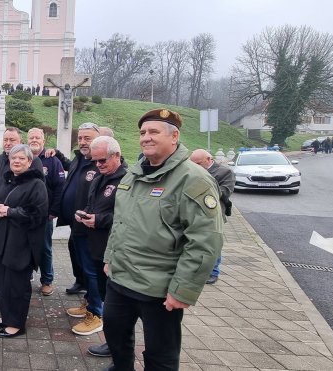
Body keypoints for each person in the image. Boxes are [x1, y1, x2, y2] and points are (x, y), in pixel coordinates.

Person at [102, 109, 223, 370]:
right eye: (143, 133)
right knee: (115, 336)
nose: (146, 137)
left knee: (160, 355)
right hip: (120, 279)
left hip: (160, 289)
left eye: (154, 132)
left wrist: (183, 289)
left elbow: (205, 240)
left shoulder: (193, 179)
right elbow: (120, 221)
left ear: (174, 136)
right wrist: (109, 257)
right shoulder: (134, 173)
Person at [0, 144, 48, 338]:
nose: (17, 161)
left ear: (30, 162)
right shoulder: (4, 180)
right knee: (2, 283)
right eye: (14, 158)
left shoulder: (37, 184)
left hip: (21, 243)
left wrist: (10, 212)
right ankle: (6, 316)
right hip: (0, 240)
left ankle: (17, 323)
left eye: (21, 158)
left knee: (17, 285)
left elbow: (38, 214)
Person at [75, 136, 127, 357]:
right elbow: (92, 204)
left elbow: (126, 216)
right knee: (107, 297)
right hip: (96, 246)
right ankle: (113, 342)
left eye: (103, 160)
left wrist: (99, 220)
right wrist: (86, 214)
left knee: (118, 304)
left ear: (116, 155)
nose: (98, 165)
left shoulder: (127, 180)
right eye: (95, 161)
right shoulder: (99, 176)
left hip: (114, 250)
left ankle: (118, 344)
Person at [58, 123, 103, 297]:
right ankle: (85, 293)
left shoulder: (100, 164)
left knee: (91, 268)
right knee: (78, 258)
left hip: (90, 226)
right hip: (74, 224)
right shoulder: (79, 158)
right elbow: (72, 170)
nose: (83, 142)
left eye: (88, 138)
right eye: (80, 138)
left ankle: (95, 309)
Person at [27, 128, 66, 296]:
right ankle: (26, 274)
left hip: (45, 214)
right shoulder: (23, 157)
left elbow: (60, 187)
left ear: (43, 140)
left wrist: (54, 210)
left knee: (44, 248)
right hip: (24, 214)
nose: (34, 140)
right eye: (31, 137)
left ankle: (47, 280)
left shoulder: (52, 160)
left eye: (38, 137)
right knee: (24, 246)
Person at [190, 149, 235, 285]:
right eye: (193, 164)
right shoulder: (192, 170)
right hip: (193, 211)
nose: (196, 166)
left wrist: (199, 191)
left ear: (209, 159)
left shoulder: (225, 172)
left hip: (213, 213)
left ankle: (213, 272)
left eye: (199, 163)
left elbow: (225, 192)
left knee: (213, 243)